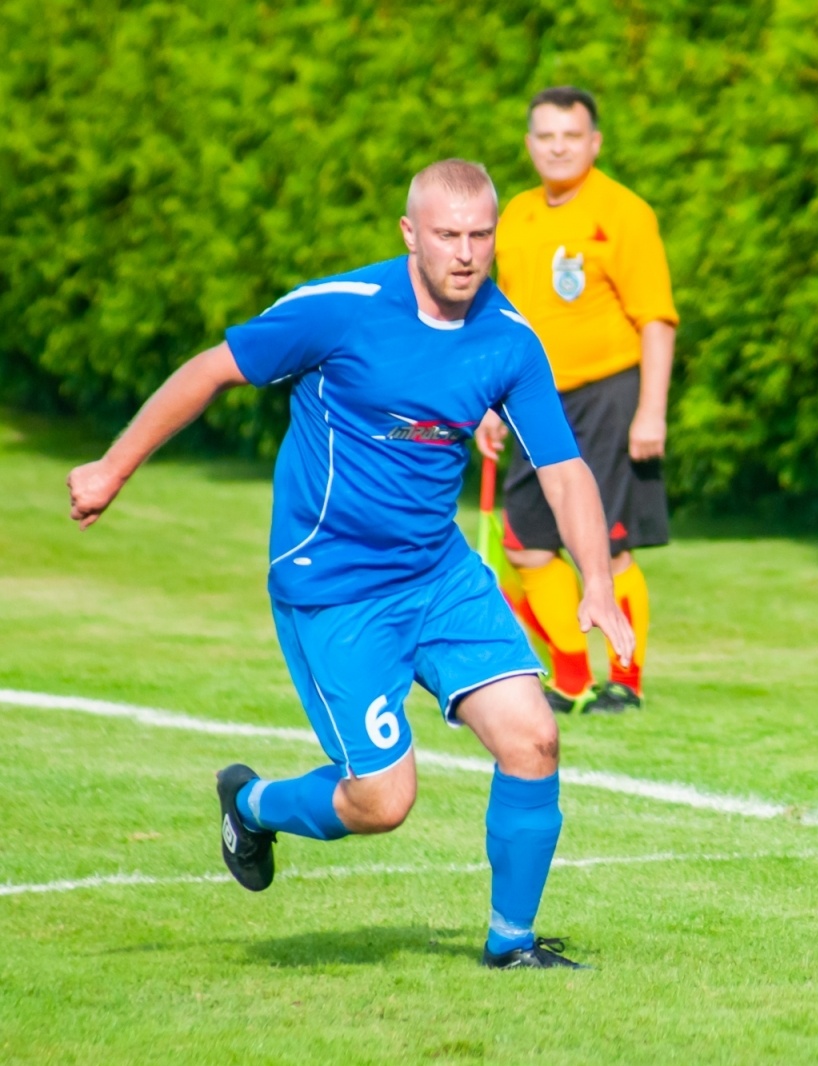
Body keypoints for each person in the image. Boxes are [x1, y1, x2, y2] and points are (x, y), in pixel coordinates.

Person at [65, 159, 632, 971]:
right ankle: (254, 803)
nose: (466, 254)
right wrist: (113, 469)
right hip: (334, 587)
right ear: (411, 234)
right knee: (382, 801)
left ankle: (511, 946)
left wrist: (598, 581)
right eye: (447, 235)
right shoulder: (342, 311)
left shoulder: (509, 338)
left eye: (480, 235)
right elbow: (212, 369)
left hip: (438, 575)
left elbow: (564, 468)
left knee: (534, 739)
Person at [476, 85, 677, 715]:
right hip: (531, 399)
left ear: (594, 142)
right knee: (526, 545)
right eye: (546, 136)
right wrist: (486, 402)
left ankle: (625, 679)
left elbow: (657, 320)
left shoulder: (623, 212)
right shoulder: (517, 217)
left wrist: (651, 409)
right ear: (530, 144)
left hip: (609, 394)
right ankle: (568, 677)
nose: (558, 147)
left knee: (608, 545)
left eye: (571, 136)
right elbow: (498, 320)